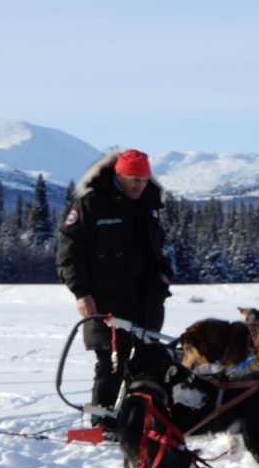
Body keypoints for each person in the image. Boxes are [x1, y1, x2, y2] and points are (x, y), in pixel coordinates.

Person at [56, 149, 173, 424]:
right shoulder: (91, 204)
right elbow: (69, 254)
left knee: (147, 362)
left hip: (146, 301)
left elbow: (157, 252)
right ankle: (102, 422)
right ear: (118, 175)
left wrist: (164, 273)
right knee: (110, 365)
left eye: (144, 180)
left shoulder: (149, 205)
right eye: (134, 179)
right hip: (105, 301)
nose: (139, 185)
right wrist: (80, 292)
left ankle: (140, 420)